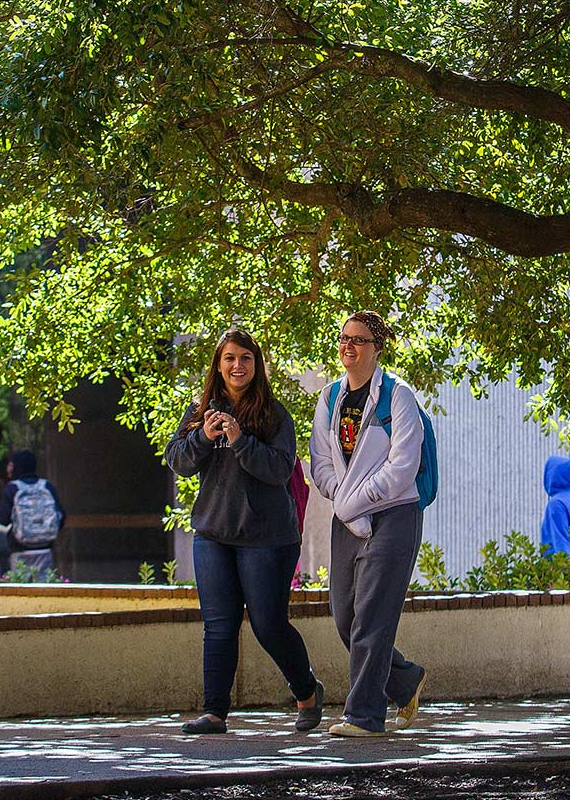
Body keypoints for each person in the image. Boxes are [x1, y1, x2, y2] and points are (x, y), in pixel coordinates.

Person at [164, 327, 324, 735]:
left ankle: (307, 692)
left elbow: (278, 469)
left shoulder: (273, 414)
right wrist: (203, 435)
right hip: (213, 534)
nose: (238, 366)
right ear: (219, 366)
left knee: (268, 624)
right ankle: (215, 712)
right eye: (230, 359)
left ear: (257, 365)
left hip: (267, 537)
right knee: (219, 624)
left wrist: (239, 440)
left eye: (246, 359)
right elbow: (178, 461)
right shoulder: (202, 411)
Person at [308, 309, 428, 737]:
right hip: (347, 517)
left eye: (359, 339)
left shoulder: (398, 396)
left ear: (377, 347)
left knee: (373, 617)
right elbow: (320, 462)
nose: (348, 345)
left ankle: (364, 716)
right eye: (344, 338)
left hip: (394, 514)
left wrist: (355, 501)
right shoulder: (330, 398)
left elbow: (402, 466)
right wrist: (343, 500)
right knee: (346, 618)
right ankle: (405, 679)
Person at [0, 449, 64, 577]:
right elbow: (61, 516)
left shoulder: (13, 488)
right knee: (44, 589)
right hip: (45, 549)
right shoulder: (47, 486)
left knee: (20, 589)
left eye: (10, 465)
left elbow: (3, 519)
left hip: (19, 550)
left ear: (17, 466)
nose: (8, 469)